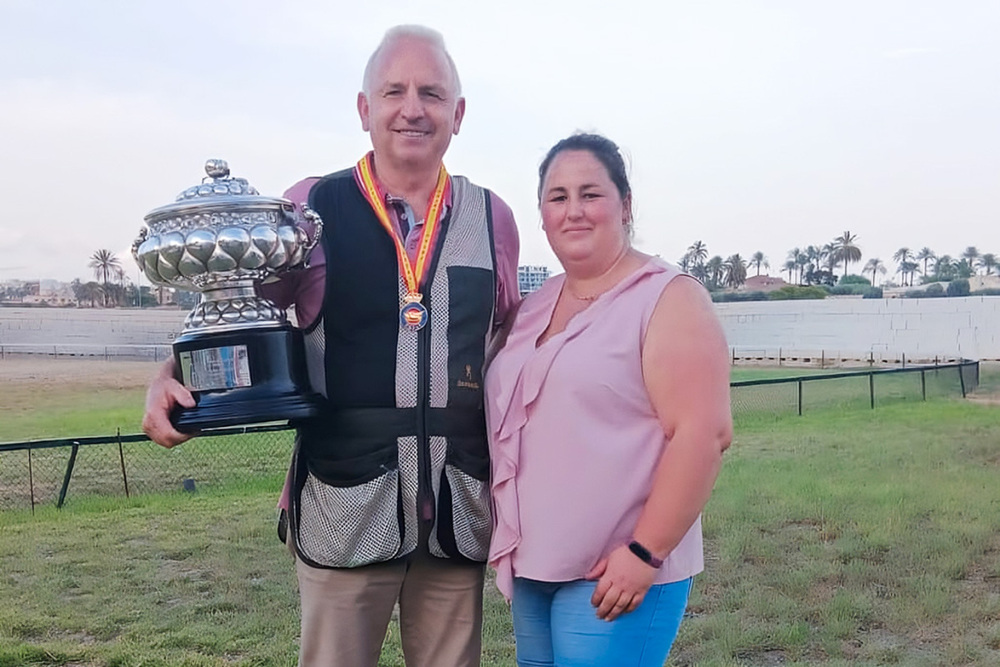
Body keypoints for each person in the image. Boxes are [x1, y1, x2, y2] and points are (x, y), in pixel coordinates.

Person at [142, 25, 520, 667]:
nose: (412, 108)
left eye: (432, 93)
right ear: (363, 109)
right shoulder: (307, 207)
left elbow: (508, 339)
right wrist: (169, 373)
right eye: (393, 91)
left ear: (457, 114)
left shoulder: (494, 217)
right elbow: (235, 309)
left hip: (458, 508)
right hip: (345, 502)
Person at [484, 133, 731, 666]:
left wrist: (645, 553)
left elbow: (703, 434)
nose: (573, 211)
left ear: (625, 204)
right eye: (558, 197)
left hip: (616, 572)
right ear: (543, 214)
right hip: (536, 569)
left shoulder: (669, 297)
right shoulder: (534, 306)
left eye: (589, 194)